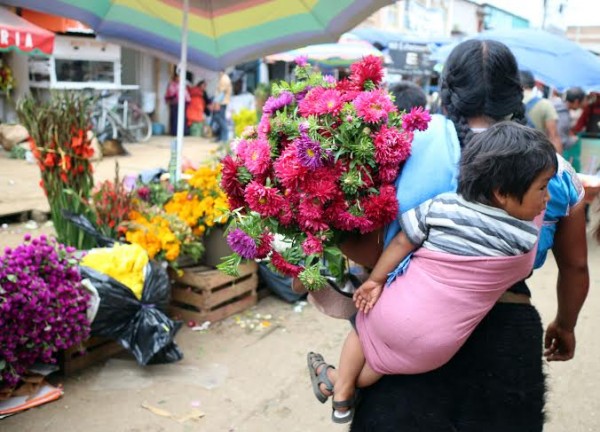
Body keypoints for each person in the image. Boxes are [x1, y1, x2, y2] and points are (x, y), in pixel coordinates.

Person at [306, 39, 588, 432]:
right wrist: (566, 324)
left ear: (450, 89)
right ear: (516, 92)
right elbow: (575, 266)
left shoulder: (402, 144)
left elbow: (367, 247)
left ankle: (343, 385)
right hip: (506, 339)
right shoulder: (549, 167)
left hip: (408, 325)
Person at [309, 122, 557, 424]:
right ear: (502, 192)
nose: (546, 197)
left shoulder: (442, 207)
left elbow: (403, 240)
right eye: (543, 188)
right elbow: (532, 248)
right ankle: (341, 383)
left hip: (393, 315)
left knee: (364, 332)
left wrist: (375, 280)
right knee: (381, 363)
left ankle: (342, 390)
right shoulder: (523, 242)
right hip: (434, 350)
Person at [520, 70, 563, 153]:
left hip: (511, 155)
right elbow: (553, 136)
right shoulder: (545, 104)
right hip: (536, 155)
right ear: (533, 84)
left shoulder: (506, 103)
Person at [164, 70, 190, 136]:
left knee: (183, 117)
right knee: (175, 118)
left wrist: (187, 100)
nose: (179, 78)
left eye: (180, 77)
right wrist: (175, 96)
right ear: (175, 77)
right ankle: (175, 132)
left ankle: (183, 132)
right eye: (178, 77)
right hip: (175, 103)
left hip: (183, 103)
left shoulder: (182, 84)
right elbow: (170, 93)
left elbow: (185, 94)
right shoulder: (172, 84)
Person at [212, 69, 233, 144]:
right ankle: (221, 137)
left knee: (220, 119)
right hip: (221, 101)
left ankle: (224, 138)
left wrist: (216, 102)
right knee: (219, 118)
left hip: (222, 102)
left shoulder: (224, 78)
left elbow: (222, 93)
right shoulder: (222, 77)